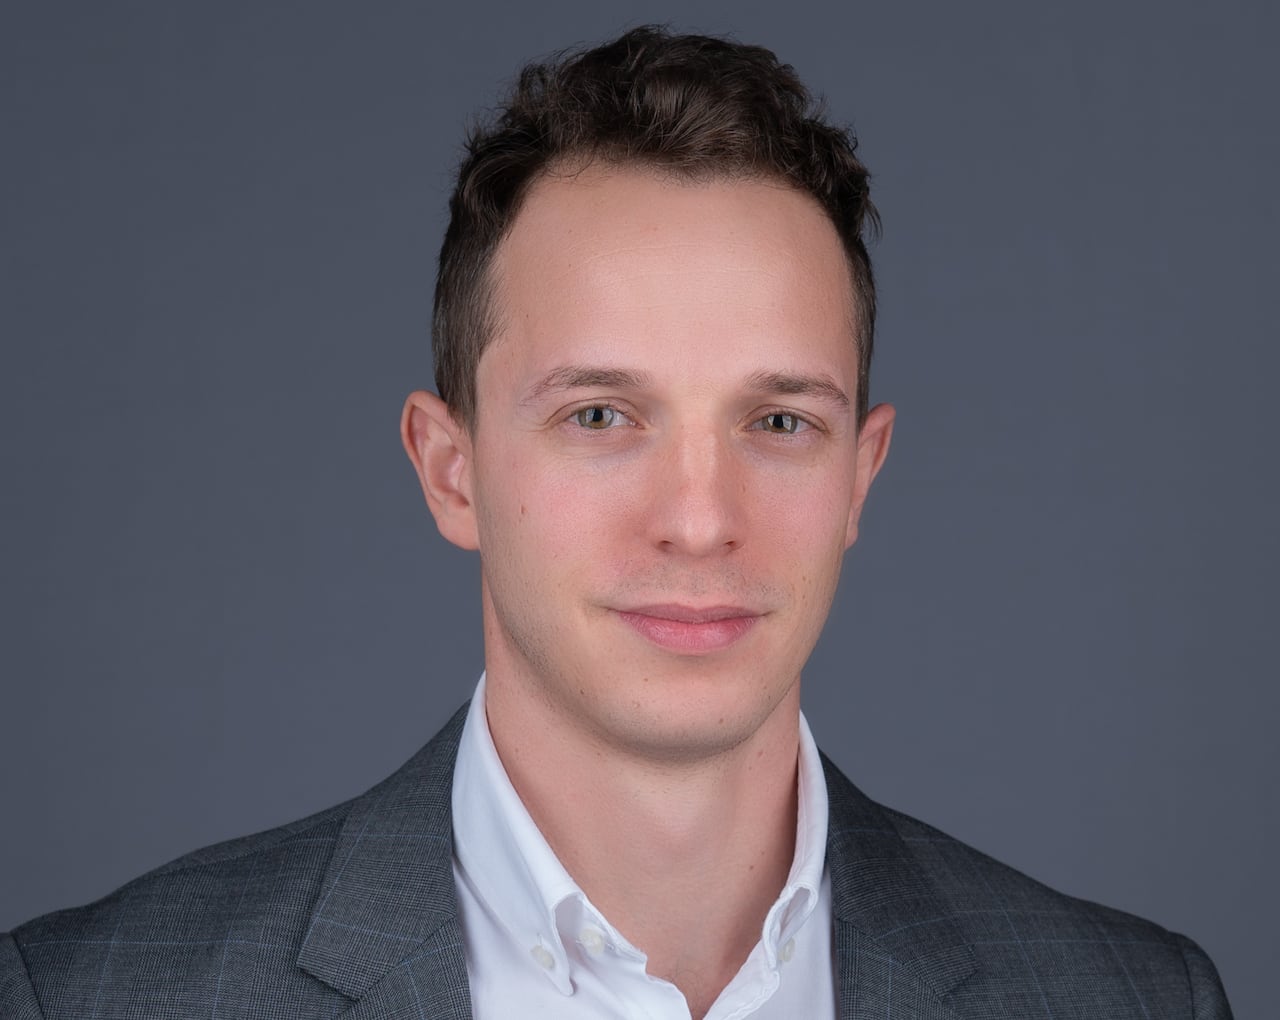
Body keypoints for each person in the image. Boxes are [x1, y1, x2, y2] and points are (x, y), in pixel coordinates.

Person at [0, 25, 1232, 1020]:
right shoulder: (92, 998)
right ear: (451, 472)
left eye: (779, 423)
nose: (699, 523)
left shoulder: (1128, 998)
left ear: (861, 476)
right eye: (599, 416)